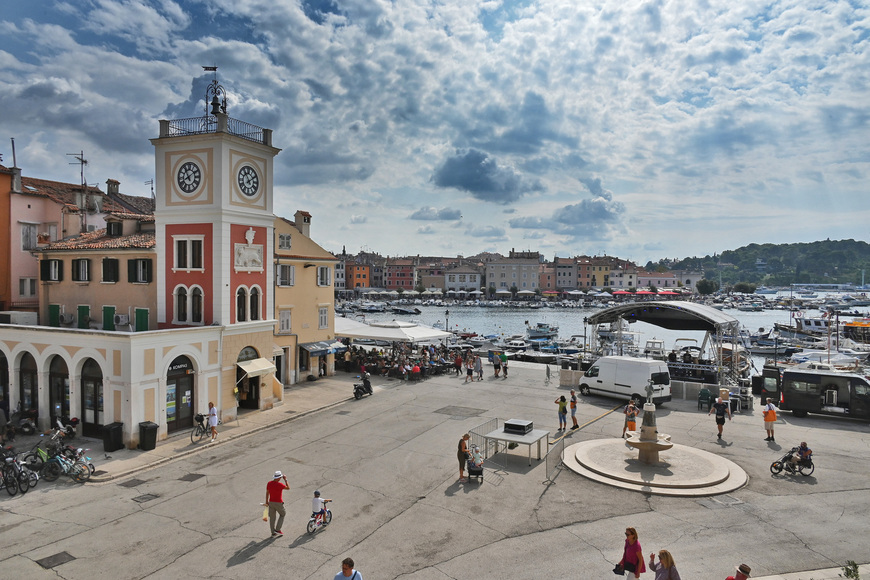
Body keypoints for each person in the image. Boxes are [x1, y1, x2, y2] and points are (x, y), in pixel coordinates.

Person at [265, 470, 289, 537]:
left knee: (272, 518)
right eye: (280, 477)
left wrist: (267, 501)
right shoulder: (280, 485)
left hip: (271, 502)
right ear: (278, 478)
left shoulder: (269, 483)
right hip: (278, 502)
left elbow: (267, 492)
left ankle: (273, 532)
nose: (281, 478)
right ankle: (278, 529)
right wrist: (285, 479)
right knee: (283, 514)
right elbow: (288, 488)